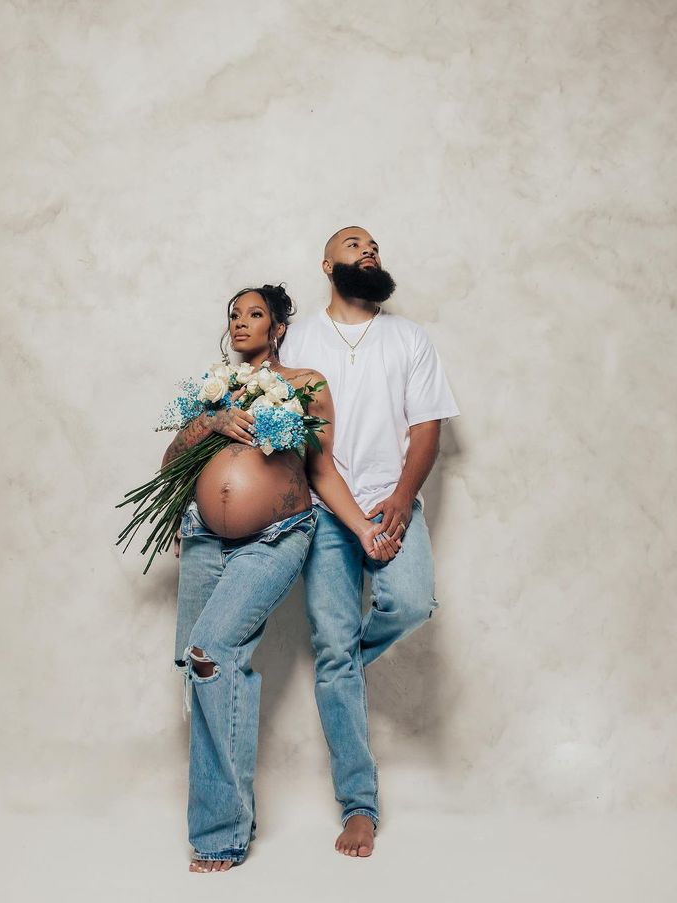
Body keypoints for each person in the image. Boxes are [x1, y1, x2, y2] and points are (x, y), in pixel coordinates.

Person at [162, 283, 400, 872]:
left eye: (255, 314)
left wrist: (364, 531)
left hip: (275, 536)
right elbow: (172, 464)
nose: (241, 322)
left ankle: (220, 835)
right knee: (199, 666)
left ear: (278, 327)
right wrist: (211, 423)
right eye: (234, 315)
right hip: (203, 536)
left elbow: (320, 467)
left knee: (211, 650)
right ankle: (230, 813)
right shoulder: (211, 391)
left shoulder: (305, 384)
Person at [279, 227, 460, 858]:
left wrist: (404, 501)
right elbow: (287, 434)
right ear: (327, 264)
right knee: (331, 644)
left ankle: (340, 672)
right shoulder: (295, 340)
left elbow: (427, 428)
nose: (370, 251)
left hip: (390, 499)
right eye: (355, 245)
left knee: (408, 605)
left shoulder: (409, 339)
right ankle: (360, 807)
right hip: (325, 511)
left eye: (376, 245)